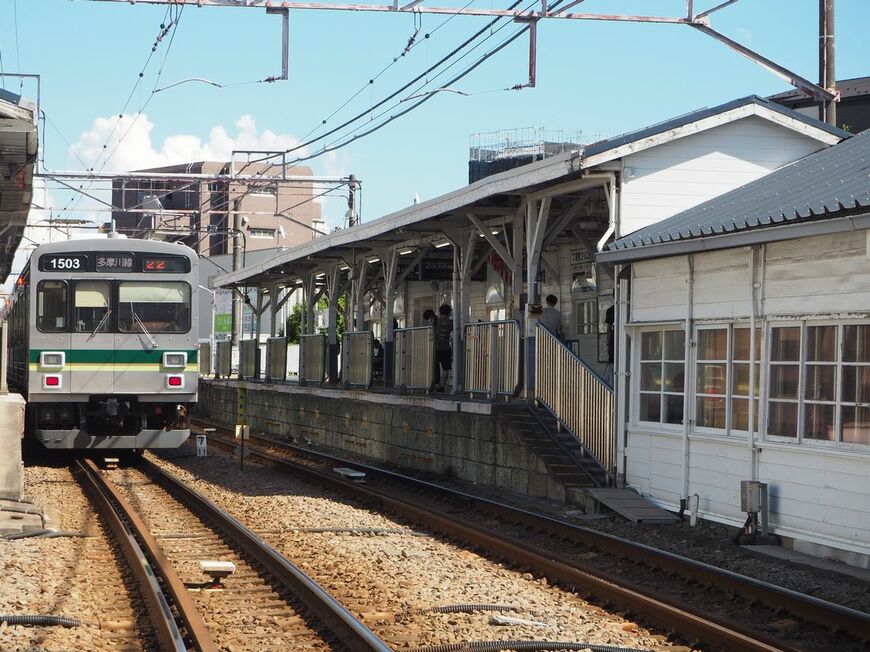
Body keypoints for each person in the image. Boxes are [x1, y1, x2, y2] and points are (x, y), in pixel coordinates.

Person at [434, 304, 453, 392]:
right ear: (449, 312)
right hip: (446, 347)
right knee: (446, 368)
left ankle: (434, 385)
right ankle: (442, 386)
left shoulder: (436, 321)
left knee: (434, 366)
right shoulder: (451, 322)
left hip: (435, 348)